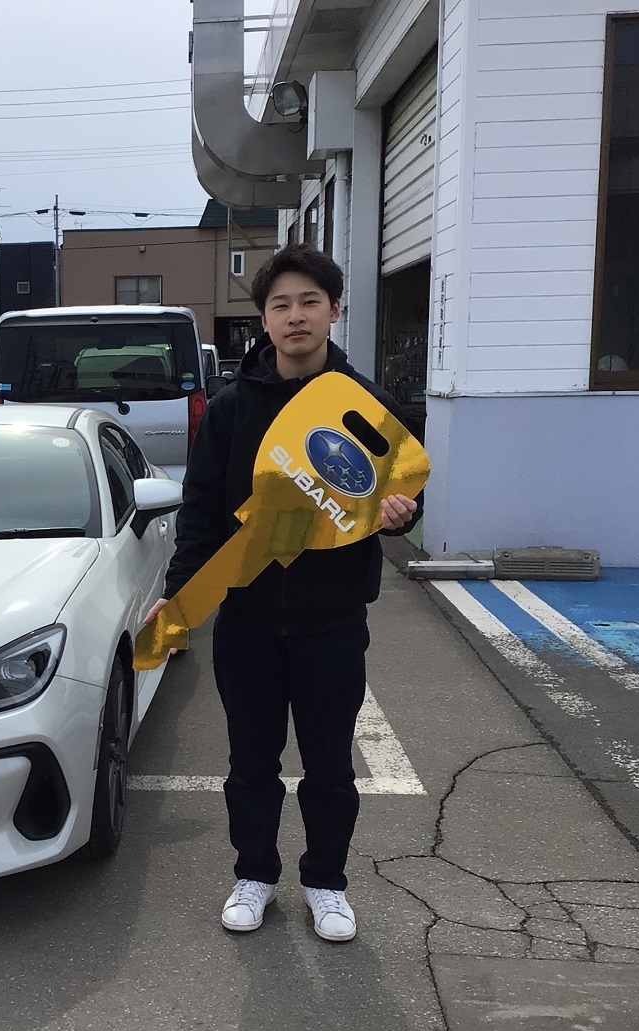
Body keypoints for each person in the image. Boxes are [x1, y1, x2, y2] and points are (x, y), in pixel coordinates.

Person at [145, 246, 419, 942]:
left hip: (334, 623)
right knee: (250, 765)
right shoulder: (230, 411)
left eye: (309, 302)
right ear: (263, 321)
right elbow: (201, 513)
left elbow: (403, 488)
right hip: (248, 623)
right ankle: (255, 875)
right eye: (281, 305)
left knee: (330, 767)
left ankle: (327, 883)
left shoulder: (368, 405)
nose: (296, 316)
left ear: (334, 310)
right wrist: (178, 599)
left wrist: (402, 514)